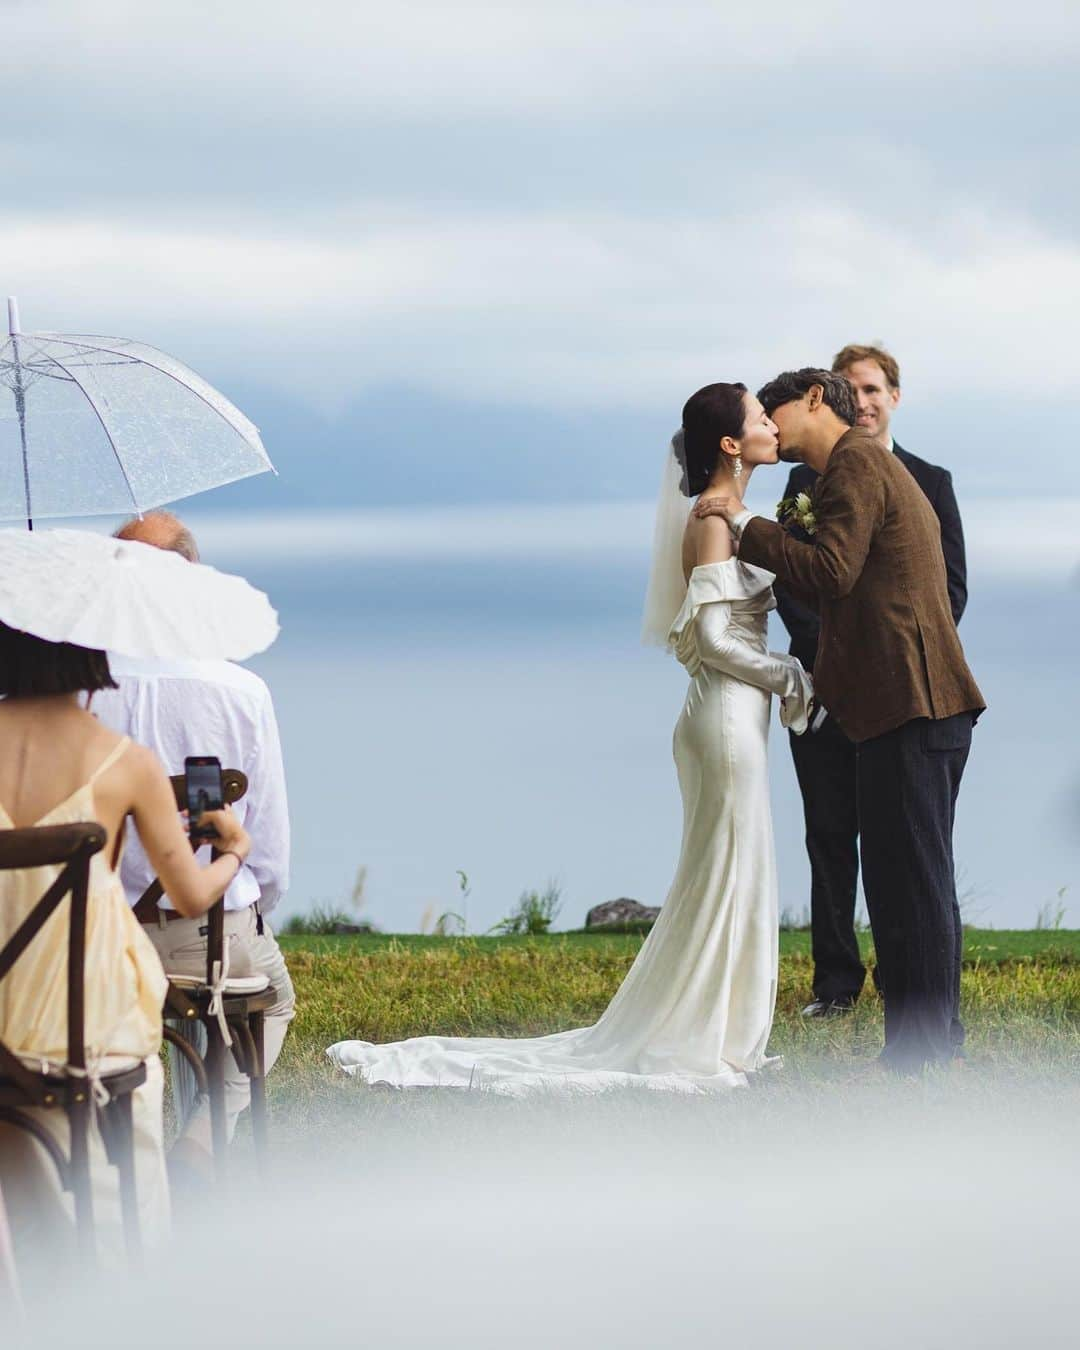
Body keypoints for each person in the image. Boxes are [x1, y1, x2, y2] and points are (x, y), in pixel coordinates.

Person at [327, 383, 813, 1092]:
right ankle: (702, 1036)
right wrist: (790, 675)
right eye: (762, 418)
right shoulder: (711, 523)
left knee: (732, 873)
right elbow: (710, 636)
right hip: (726, 717)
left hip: (735, 715)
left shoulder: (733, 516)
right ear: (732, 445)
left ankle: (721, 1029)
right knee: (725, 874)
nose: (775, 425)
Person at [697, 368, 984, 1072]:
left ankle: (917, 1054)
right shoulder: (858, 465)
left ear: (817, 399)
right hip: (910, 702)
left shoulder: (854, 462)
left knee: (908, 885)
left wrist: (744, 526)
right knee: (914, 879)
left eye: (775, 409)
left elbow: (831, 573)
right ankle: (931, 1044)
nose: (769, 422)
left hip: (912, 702)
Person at [0, 621, 251, 1257]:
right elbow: (191, 894)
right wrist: (237, 851)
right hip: (84, 1027)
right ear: (87, 654)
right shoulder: (125, 762)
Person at [93, 511, 294, 1182]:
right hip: (204, 938)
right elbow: (268, 857)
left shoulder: (73, 698)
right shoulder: (242, 691)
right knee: (270, 997)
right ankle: (201, 1142)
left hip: (92, 937)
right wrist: (249, 900)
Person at [774, 343, 968, 1017]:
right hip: (835, 692)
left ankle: (925, 1024)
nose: (863, 400)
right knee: (842, 842)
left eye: (872, 388)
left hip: (906, 692)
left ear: (892, 396)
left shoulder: (915, 477)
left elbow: (938, 591)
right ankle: (849, 992)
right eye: (851, 386)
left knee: (915, 864)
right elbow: (799, 591)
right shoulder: (812, 481)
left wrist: (743, 529)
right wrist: (830, 670)